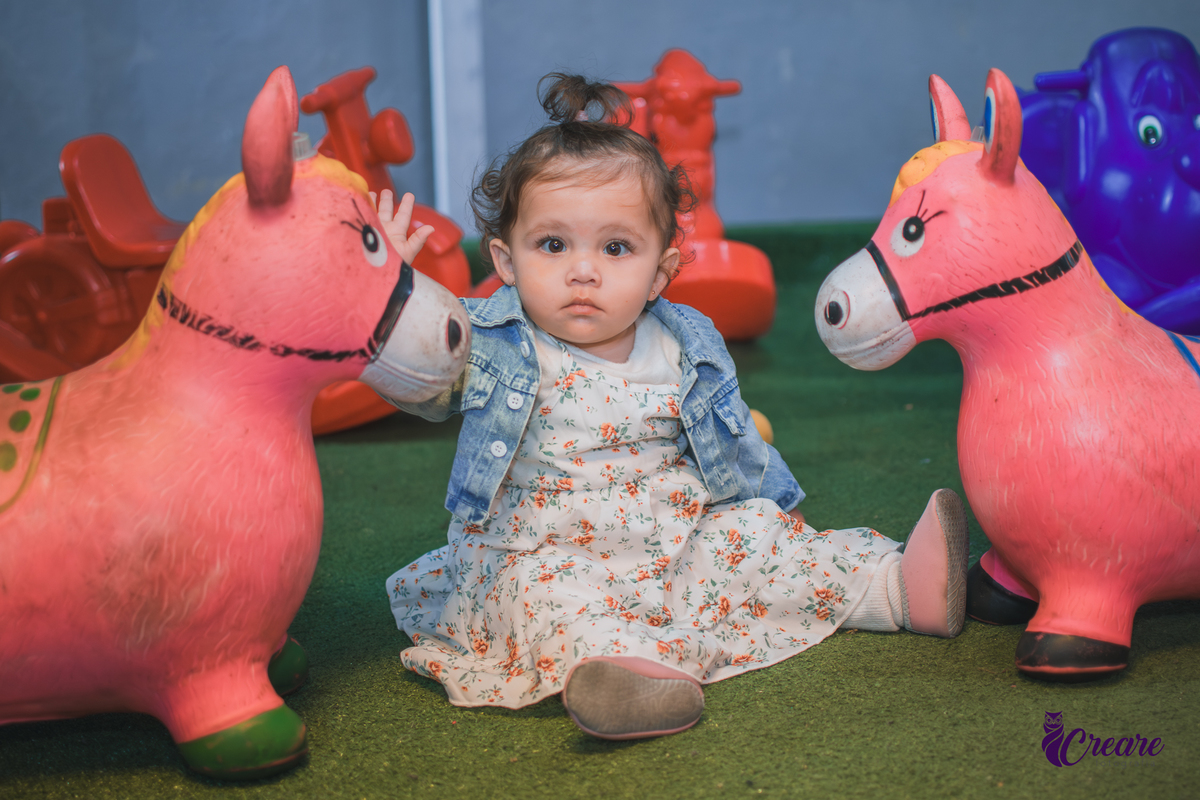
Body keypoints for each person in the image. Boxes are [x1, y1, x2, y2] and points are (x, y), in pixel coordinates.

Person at [376, 73, 968, 741]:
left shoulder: (685, 342)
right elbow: (427, 386)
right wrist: (396, 306)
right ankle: (624, 673)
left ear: (661, 270)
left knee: (753, 543)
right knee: (548, 599)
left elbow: (735, 435)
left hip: (672, 544)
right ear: (505, 260)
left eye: (616, 248)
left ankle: (896, 588)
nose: (583, 271)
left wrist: (773, 504)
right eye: (552, 245)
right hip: (537, 550)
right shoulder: (493, 341)